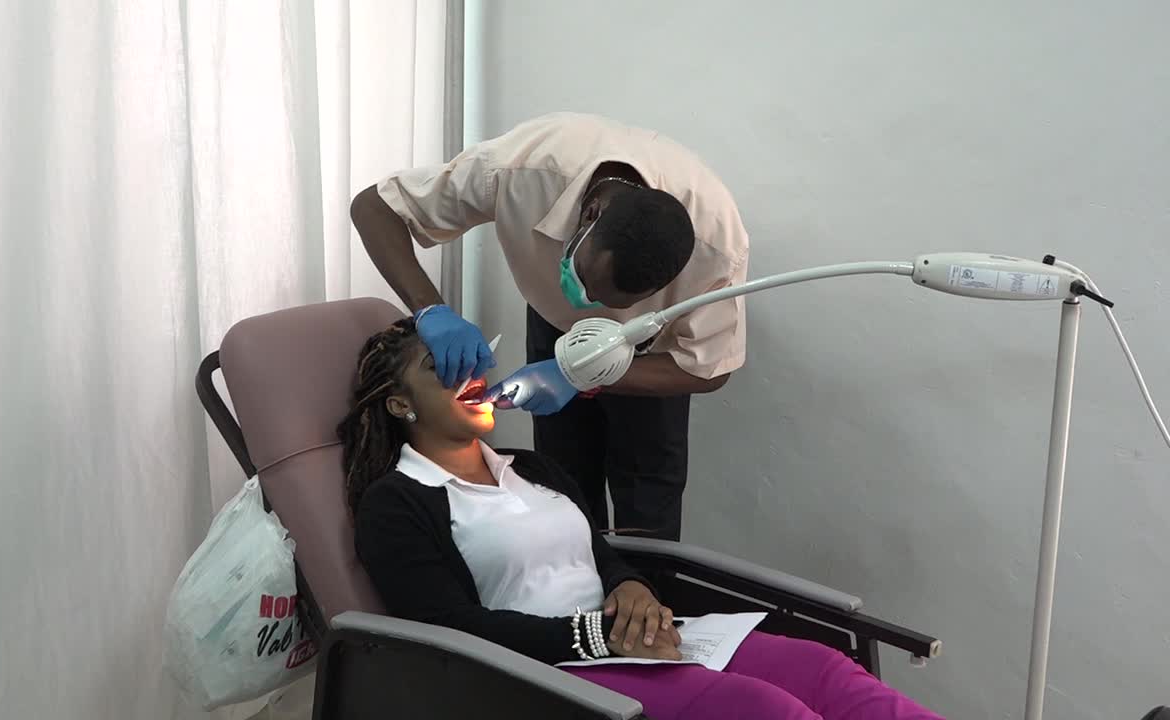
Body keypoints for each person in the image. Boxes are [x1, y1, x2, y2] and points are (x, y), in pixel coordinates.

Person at [336, 319, 942, 720]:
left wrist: (632, 588)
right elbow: (448, 627)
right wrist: (598, 638)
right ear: (400, 403)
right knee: (767, 711)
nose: (470, 377)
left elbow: (600, 556)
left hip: (636, 644)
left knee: (824, 668)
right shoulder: (396, 501)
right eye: (440, 369)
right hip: (542, 676)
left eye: (470, 363)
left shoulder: (531, 466)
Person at [350, 112, 748, 541]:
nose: (590, 307)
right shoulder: (521, 169)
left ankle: (640, 596)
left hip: (649, 354)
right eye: (588, 285)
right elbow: (375, 207)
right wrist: (431, 310)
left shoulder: (718, 248)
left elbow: (710, 369)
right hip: (551, 325)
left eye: (612, 303)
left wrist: (575, 375)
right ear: (590, 214)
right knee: (565, 483)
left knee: (648, 504)